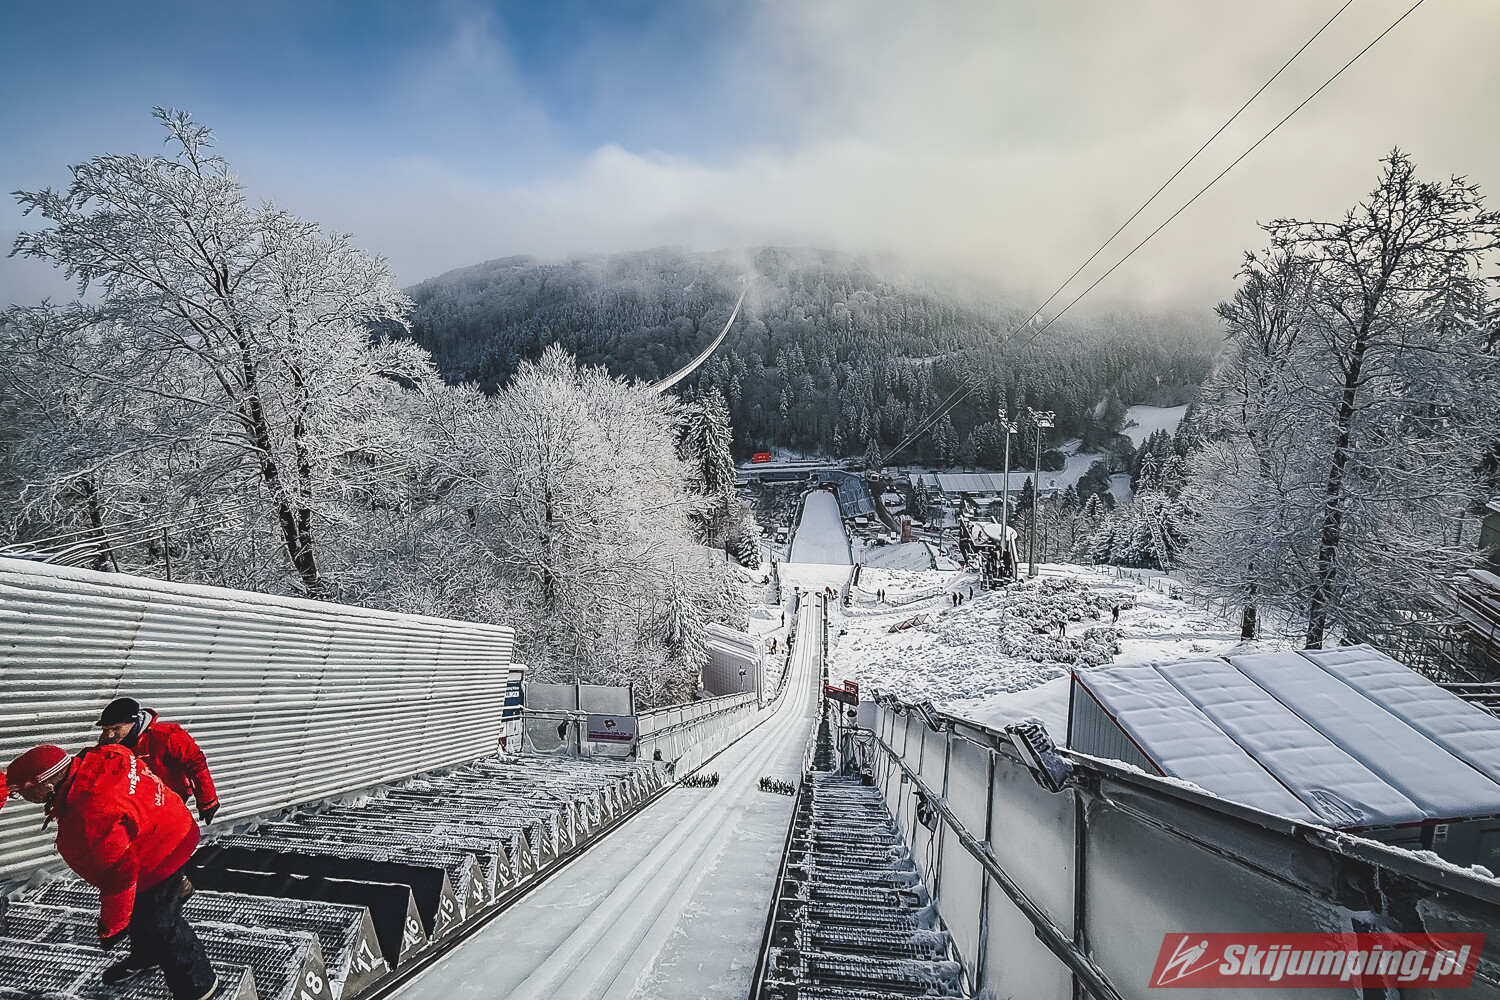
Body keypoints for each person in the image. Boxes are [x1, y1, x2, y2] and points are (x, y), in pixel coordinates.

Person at [4, 744, 218, 999]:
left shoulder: (90, 813)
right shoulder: (102, 757)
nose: (21, 797)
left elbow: (120, 875)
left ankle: (199, 987)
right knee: (143, 913)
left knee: (161, 925)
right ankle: (147, 957)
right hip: (168, 827)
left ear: (46, 785)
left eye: (21, 791)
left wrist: (112, 927)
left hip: (161, 854)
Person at [96, 698, 219, 825]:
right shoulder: (109, 742)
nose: (109, 735)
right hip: (137, 797)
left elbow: (196, 765)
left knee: (164, 827)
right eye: (105, 730)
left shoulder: (167, 736)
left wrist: (208, 801)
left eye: (116, 728)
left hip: (170, 794)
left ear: (133, 722)